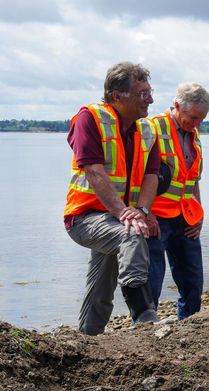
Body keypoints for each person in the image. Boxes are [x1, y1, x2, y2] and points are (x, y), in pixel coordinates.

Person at [63, 62, 160, 335]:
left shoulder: (147, 130)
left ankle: (87, 338)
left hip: (115, 217)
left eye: (150, 92)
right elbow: (94, 172)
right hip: (84, 217)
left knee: (101, 287)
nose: (150, 100)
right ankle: (143, 313)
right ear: (118, 96)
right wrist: (126, 214)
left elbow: (151, 176)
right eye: (143, 94)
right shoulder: (89, 119)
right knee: (131, 235)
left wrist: (141, 209)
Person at [146, 83, 209, 319]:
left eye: (201, 119)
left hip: (186, 219)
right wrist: (143, 212)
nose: (197, 124)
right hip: (155, 219)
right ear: (177, 106)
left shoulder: (195, 135)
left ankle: (188, 329)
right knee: (150, 283)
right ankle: (145, 331)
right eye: (193, 117)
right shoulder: (152, 128)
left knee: (193, 283)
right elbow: (136, 177)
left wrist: (199, 214)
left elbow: (193, 180)